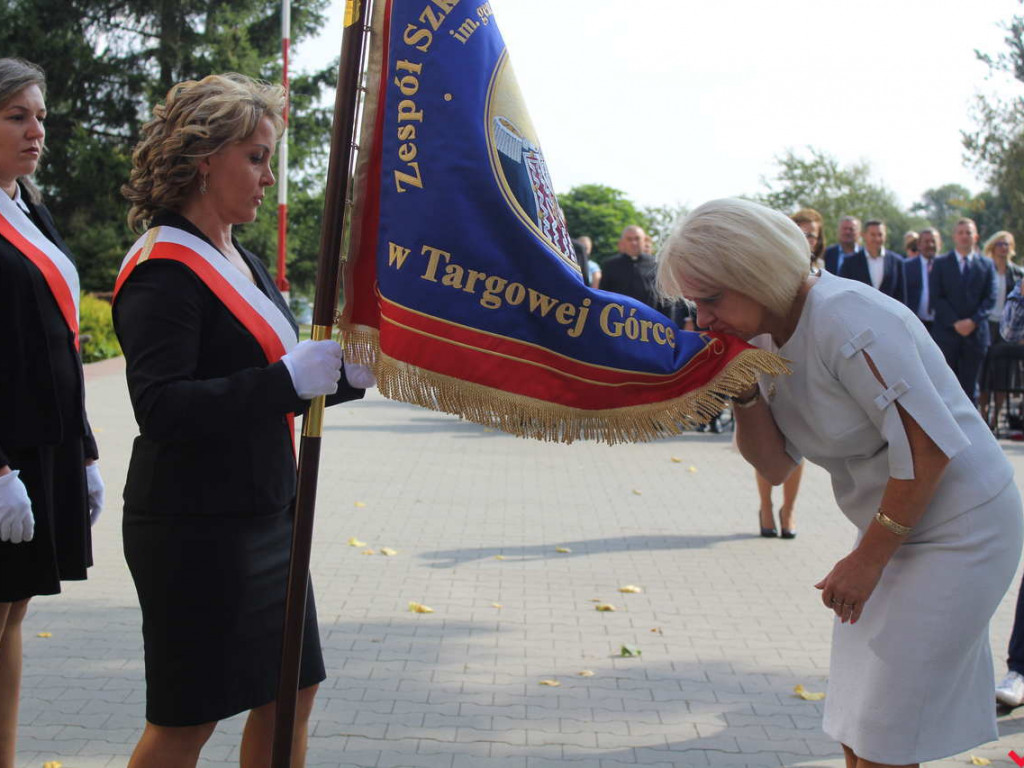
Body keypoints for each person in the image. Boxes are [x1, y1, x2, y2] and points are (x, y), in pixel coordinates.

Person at [658, 197, 1022, 768]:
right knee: (859, 721)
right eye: (693, 303)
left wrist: (867, 560)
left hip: (962, 529)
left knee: (887, 730)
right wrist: (744, 389)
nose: (702, 320)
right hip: (894, 527)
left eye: (710, 299)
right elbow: (776, 467)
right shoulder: (763, 336)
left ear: (756, 271)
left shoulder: (849, 316)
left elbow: (928, 450)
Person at [113, 74, 369, 767]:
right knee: (186, 722)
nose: (268, 176)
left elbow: (278, 375)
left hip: (268, 515)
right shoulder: (162, 269)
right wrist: (286, 380)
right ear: (205, 159)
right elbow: (161, 408)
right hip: (196, 529)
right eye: (255, 157)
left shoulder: (243, 258)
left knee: (293, 692)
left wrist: (351, 374)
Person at [0, 58, 104, 766]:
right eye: (17, 116)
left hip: (42, 443)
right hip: (6, 453)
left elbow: (59, 335)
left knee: (11, 614)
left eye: (39, 116)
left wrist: (87, 447)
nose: (37, 130)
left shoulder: (25, 204)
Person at [754, 207, 821, 539]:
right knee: (767, 440)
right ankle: (766, 506)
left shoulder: (823, 278)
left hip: (804, 367)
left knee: (797, 442)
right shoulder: (768, 271)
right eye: (801, 232)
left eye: (812, 234)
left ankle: (788, 510)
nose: (807, 239)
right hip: (769, 360)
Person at [930, 217, 997, 404]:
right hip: (947, 335)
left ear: (976, 237)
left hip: (975, 337)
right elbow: (936, 298)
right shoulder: (941, 263)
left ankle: (970, 433)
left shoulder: (987, 265)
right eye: (961, 232)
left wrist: (972, 321)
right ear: (954, 237)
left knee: (970, 389)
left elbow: (990, 298)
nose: (964, 236)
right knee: (944, 388)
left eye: (968, 232)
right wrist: (955, 322)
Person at [978, 231, 1024, 427]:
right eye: (999, 244)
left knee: (1004, 374)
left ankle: (996, 416)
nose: (1003, 248)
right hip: (986, 324)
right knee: (984, 371)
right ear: (992, 247)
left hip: (1008, 328)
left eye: (1006, 244)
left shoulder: (1018, 273)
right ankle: (982, 413)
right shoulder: (984, 269)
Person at [838, 220, 906, 303]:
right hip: (859, 312)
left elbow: (901, 295)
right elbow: (844, 292)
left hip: (887, 314)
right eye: (873, 235)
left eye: (880, 235)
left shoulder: (896, 261)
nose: (877, 239)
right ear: (864, 235)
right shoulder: (850, 262)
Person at [904, 227, 941, 330]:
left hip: (940, 325)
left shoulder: (948, 267)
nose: (930, 245)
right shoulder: (906, 267)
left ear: (939, 244)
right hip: (915, 324)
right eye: (926, 241)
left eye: (933, 241)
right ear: (919, 245)